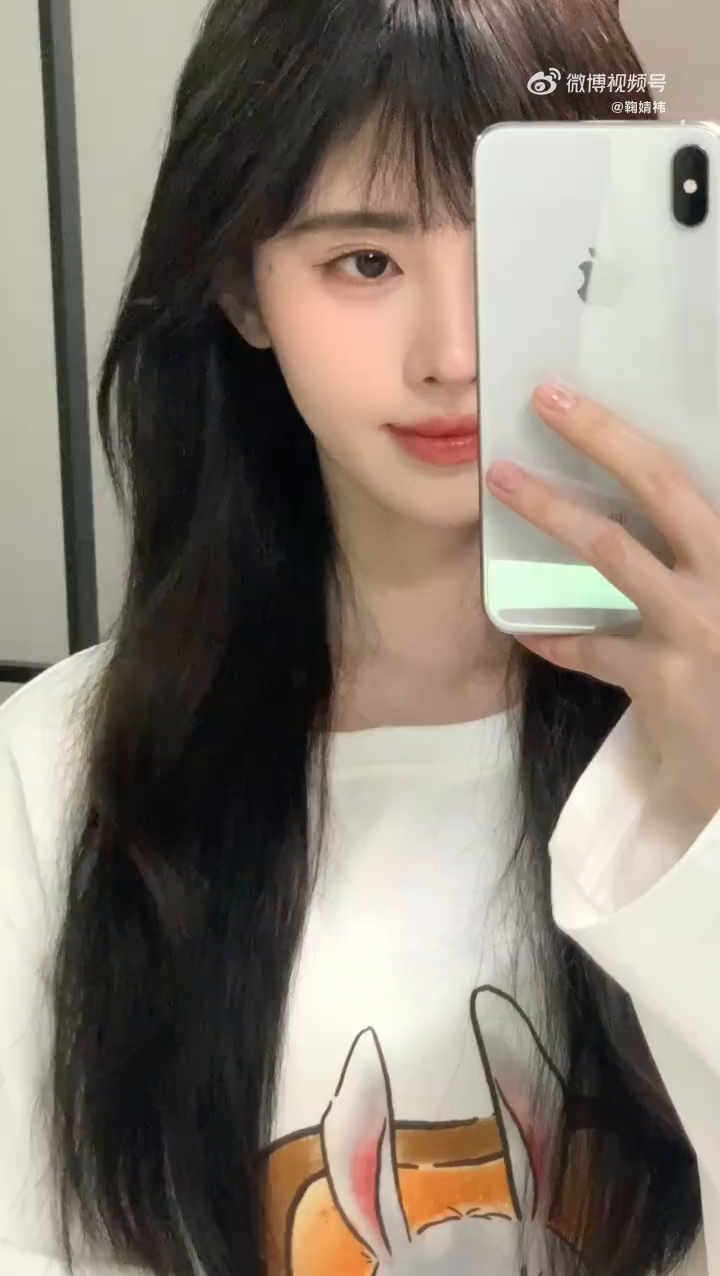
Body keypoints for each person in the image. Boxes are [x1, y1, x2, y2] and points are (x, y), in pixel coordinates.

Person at [1, 0, 718, 1273]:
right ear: (243, 286)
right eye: (365, 262)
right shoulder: (51, 773)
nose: (454, 352)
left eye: (517, 245)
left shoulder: (690, 734)